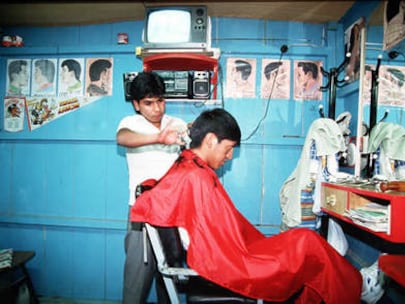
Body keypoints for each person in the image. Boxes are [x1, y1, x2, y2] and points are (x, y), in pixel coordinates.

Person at [130, 108, 365, 304]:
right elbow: (206, 236)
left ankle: (357, 285)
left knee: (304, 241)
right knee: (307, 244)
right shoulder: (194, 176)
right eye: (228, 148)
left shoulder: (191, 167)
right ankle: (360, 288)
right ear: (211, 140)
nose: (230, 156)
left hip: (234, 249)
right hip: (231, 260)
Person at [116, 71, 189, 304]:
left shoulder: (176, 124)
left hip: (172, 212)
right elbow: (122, 138)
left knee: (169, 275)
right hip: (141, 212)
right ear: (136, 105)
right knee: (136, 278)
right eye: (148, 103)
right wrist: (159, 138)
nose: (157, 108)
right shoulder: (130, 123)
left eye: (160, 100)